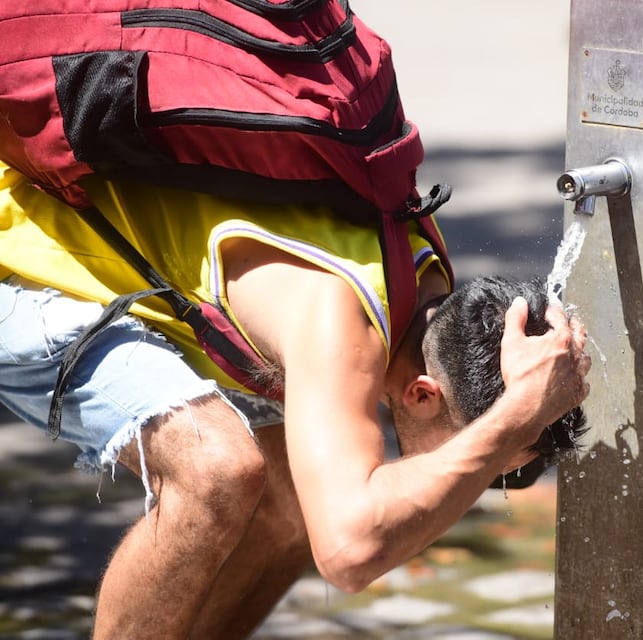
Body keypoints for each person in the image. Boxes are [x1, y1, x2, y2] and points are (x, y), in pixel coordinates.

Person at [0, 9, 590, 640]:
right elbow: (352, 550)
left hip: (85, 236)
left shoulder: (426, 278)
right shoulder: (342, 321)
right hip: (18, 265)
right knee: (218, 471)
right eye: (492, 468)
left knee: (289, 494)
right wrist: (512, 420)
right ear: (423, 395)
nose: (475, 484)